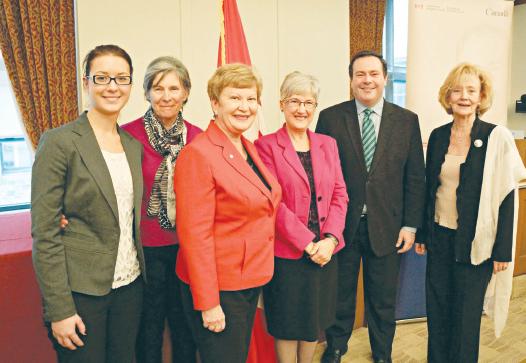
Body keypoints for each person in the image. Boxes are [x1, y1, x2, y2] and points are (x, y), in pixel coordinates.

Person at [31, 44, 145, 362]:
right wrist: (60, 309)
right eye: (102, 77)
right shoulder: (59, 142)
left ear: (131, 85)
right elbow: (45, 233)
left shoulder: (132, 146)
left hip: (130, 288)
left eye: (121, 78)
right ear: (86, 83)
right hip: (81, 293)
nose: (112, 86)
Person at [316, 50, 426, 363]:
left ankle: (382, 353)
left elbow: (415, 178)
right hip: (341, 228)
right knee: (340, 295)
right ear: (351, 80)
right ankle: (336, 347)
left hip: (389, 227)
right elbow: (322, 177)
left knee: (383, 299)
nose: (367, 80)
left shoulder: (406, 121)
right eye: (360, 74)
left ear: (385, 78)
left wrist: (410, 225)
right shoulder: (330, 118)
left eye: (374, 74)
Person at [414, 63, 526, 363]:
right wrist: (424, 233)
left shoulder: (496, 137)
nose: (464, 96)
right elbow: (430, 189)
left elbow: (506, 198)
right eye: (457, 90)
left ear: (481, 97)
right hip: (439, 238)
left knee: (464, 319)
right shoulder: (437, 136)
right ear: (448, 96)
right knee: (437, 312)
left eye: (471, 90)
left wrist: (503, 251)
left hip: (476, 244)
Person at [174, 63, 282, 363]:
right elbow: (195, 236)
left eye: (251, 99)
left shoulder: (247, 146)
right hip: (220, 288)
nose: (244, 107)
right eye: (235, 98)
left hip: (247, 279)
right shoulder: (198, 154)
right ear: (215, 102)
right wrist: (208, 303)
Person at [255, 71, 348, 363]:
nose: (301, 109)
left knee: (313, 324)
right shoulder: (266, 146)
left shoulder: (327, 144)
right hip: (288, 255)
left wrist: (330, 240)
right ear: (281, 104)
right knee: (287, 325)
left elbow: (339, 194)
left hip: (325, 252)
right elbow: (274, 204)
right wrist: (309, 244)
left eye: (308, 102)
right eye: (294, 101)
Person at [122, 56, 200, 363]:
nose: (166, 96)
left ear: (185, 93)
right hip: (142, 250)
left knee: (184, 329)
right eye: (158, 88)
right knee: (148, 329)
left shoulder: (198, 137)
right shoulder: (126, 135)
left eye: (173, 88)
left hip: (185, 249)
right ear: (146, 93)